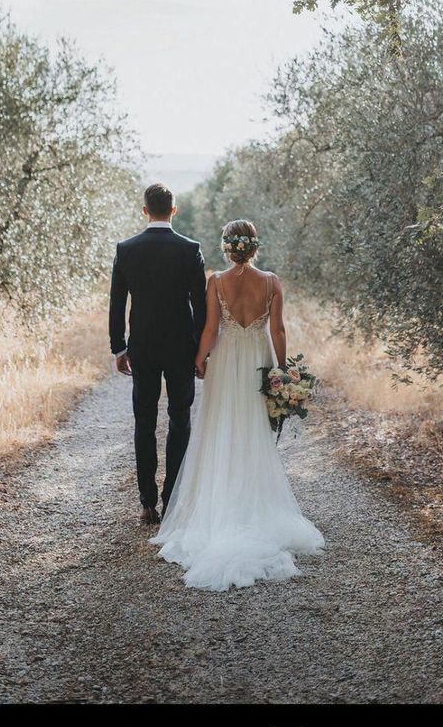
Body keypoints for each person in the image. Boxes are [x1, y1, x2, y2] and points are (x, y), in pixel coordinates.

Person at [150, 218, 324, 590]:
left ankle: (221, 504)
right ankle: (252, 504)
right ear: (254, 246)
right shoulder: (271, 282)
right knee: (254, 430)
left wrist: (199, 359)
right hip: (258, 359)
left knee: (222, 428)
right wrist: (282, 369)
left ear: (228, 247)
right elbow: (277, 329)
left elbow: (211, 329)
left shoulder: (216, 282)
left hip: (227, 360)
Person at [109, 183, 206, 525]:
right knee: (180, 420)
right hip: (181, 349)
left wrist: (118, 347)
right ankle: (172, 501)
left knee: (144, 422)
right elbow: (201, 304)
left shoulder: (127, 249)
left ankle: (147, 502)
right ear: (174, 210)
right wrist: (200, 351)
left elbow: (117, 303)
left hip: (143, 349)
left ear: (145, 210)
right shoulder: (190, 248)